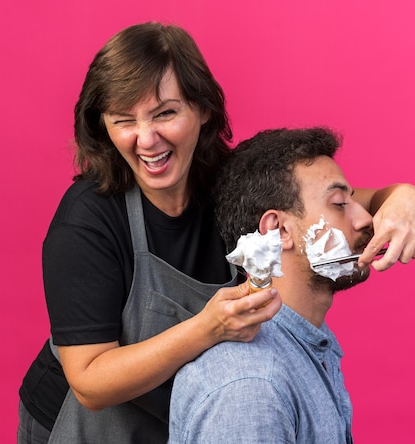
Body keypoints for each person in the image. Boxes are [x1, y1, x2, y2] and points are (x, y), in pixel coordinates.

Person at [17, 23, 415, 444]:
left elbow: (329, 206)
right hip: (81, 422)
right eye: (124, 120)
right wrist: (208, 328)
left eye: (165, 113)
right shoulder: (87, 221)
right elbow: (90, 382)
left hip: (181, 412)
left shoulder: (225, 183)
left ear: (203, 110)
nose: (146, 139)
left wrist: (405, 197)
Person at [168, 127, 402, 443]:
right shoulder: (250, 386)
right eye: (339, 203)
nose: (365, 219)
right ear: (278, 231)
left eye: (352, 200)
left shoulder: (307, 346)